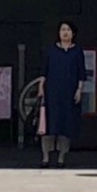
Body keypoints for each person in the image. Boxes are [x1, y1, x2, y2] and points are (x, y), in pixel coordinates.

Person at [38, 23, 86, 167]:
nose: (65, 33)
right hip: (52, 92)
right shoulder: (51, 50)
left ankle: (61, 157)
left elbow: (81, 73)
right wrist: (41, 87)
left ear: (73, 33)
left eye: (68, 30)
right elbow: (43, 71)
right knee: (49, 124)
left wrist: (79, 90)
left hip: (69, 92)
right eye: (62, 30)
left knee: (66, 125)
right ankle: (45, 157)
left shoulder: (77, 51)